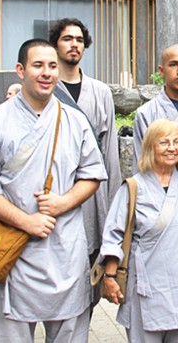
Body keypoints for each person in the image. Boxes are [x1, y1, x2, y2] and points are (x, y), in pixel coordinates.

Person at [0, 39, 106, 342]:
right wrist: (26, 221)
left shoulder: (74, 120)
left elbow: (93, 175)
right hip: (14, 246)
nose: (47, 72)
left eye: (52, 66)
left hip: (64, 244)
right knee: (11, 331)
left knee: (69, 329)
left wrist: (62, 203)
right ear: (20, 70)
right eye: (38, 65)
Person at [100, 119, 178, 342]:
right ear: (150, 147)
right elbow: (114, 235)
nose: (172, 148)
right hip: (146, 290)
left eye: (177, 142)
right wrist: (110, 276)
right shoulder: (133, 188)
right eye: (164, 142)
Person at [49, 18, 121, 278]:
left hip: (93, 189)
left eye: (79, 40)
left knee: (91, 266)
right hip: (57, 188)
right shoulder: (47, 88)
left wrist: (115, 204)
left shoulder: (100, 91)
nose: (74, 45)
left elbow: (110, 150)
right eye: (67, 39)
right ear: (55, 45)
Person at [132, 44, 178, 172]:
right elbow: (141, 163)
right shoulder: (146, 113)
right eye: (173, 64)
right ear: (161, 70)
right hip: (157, 188)